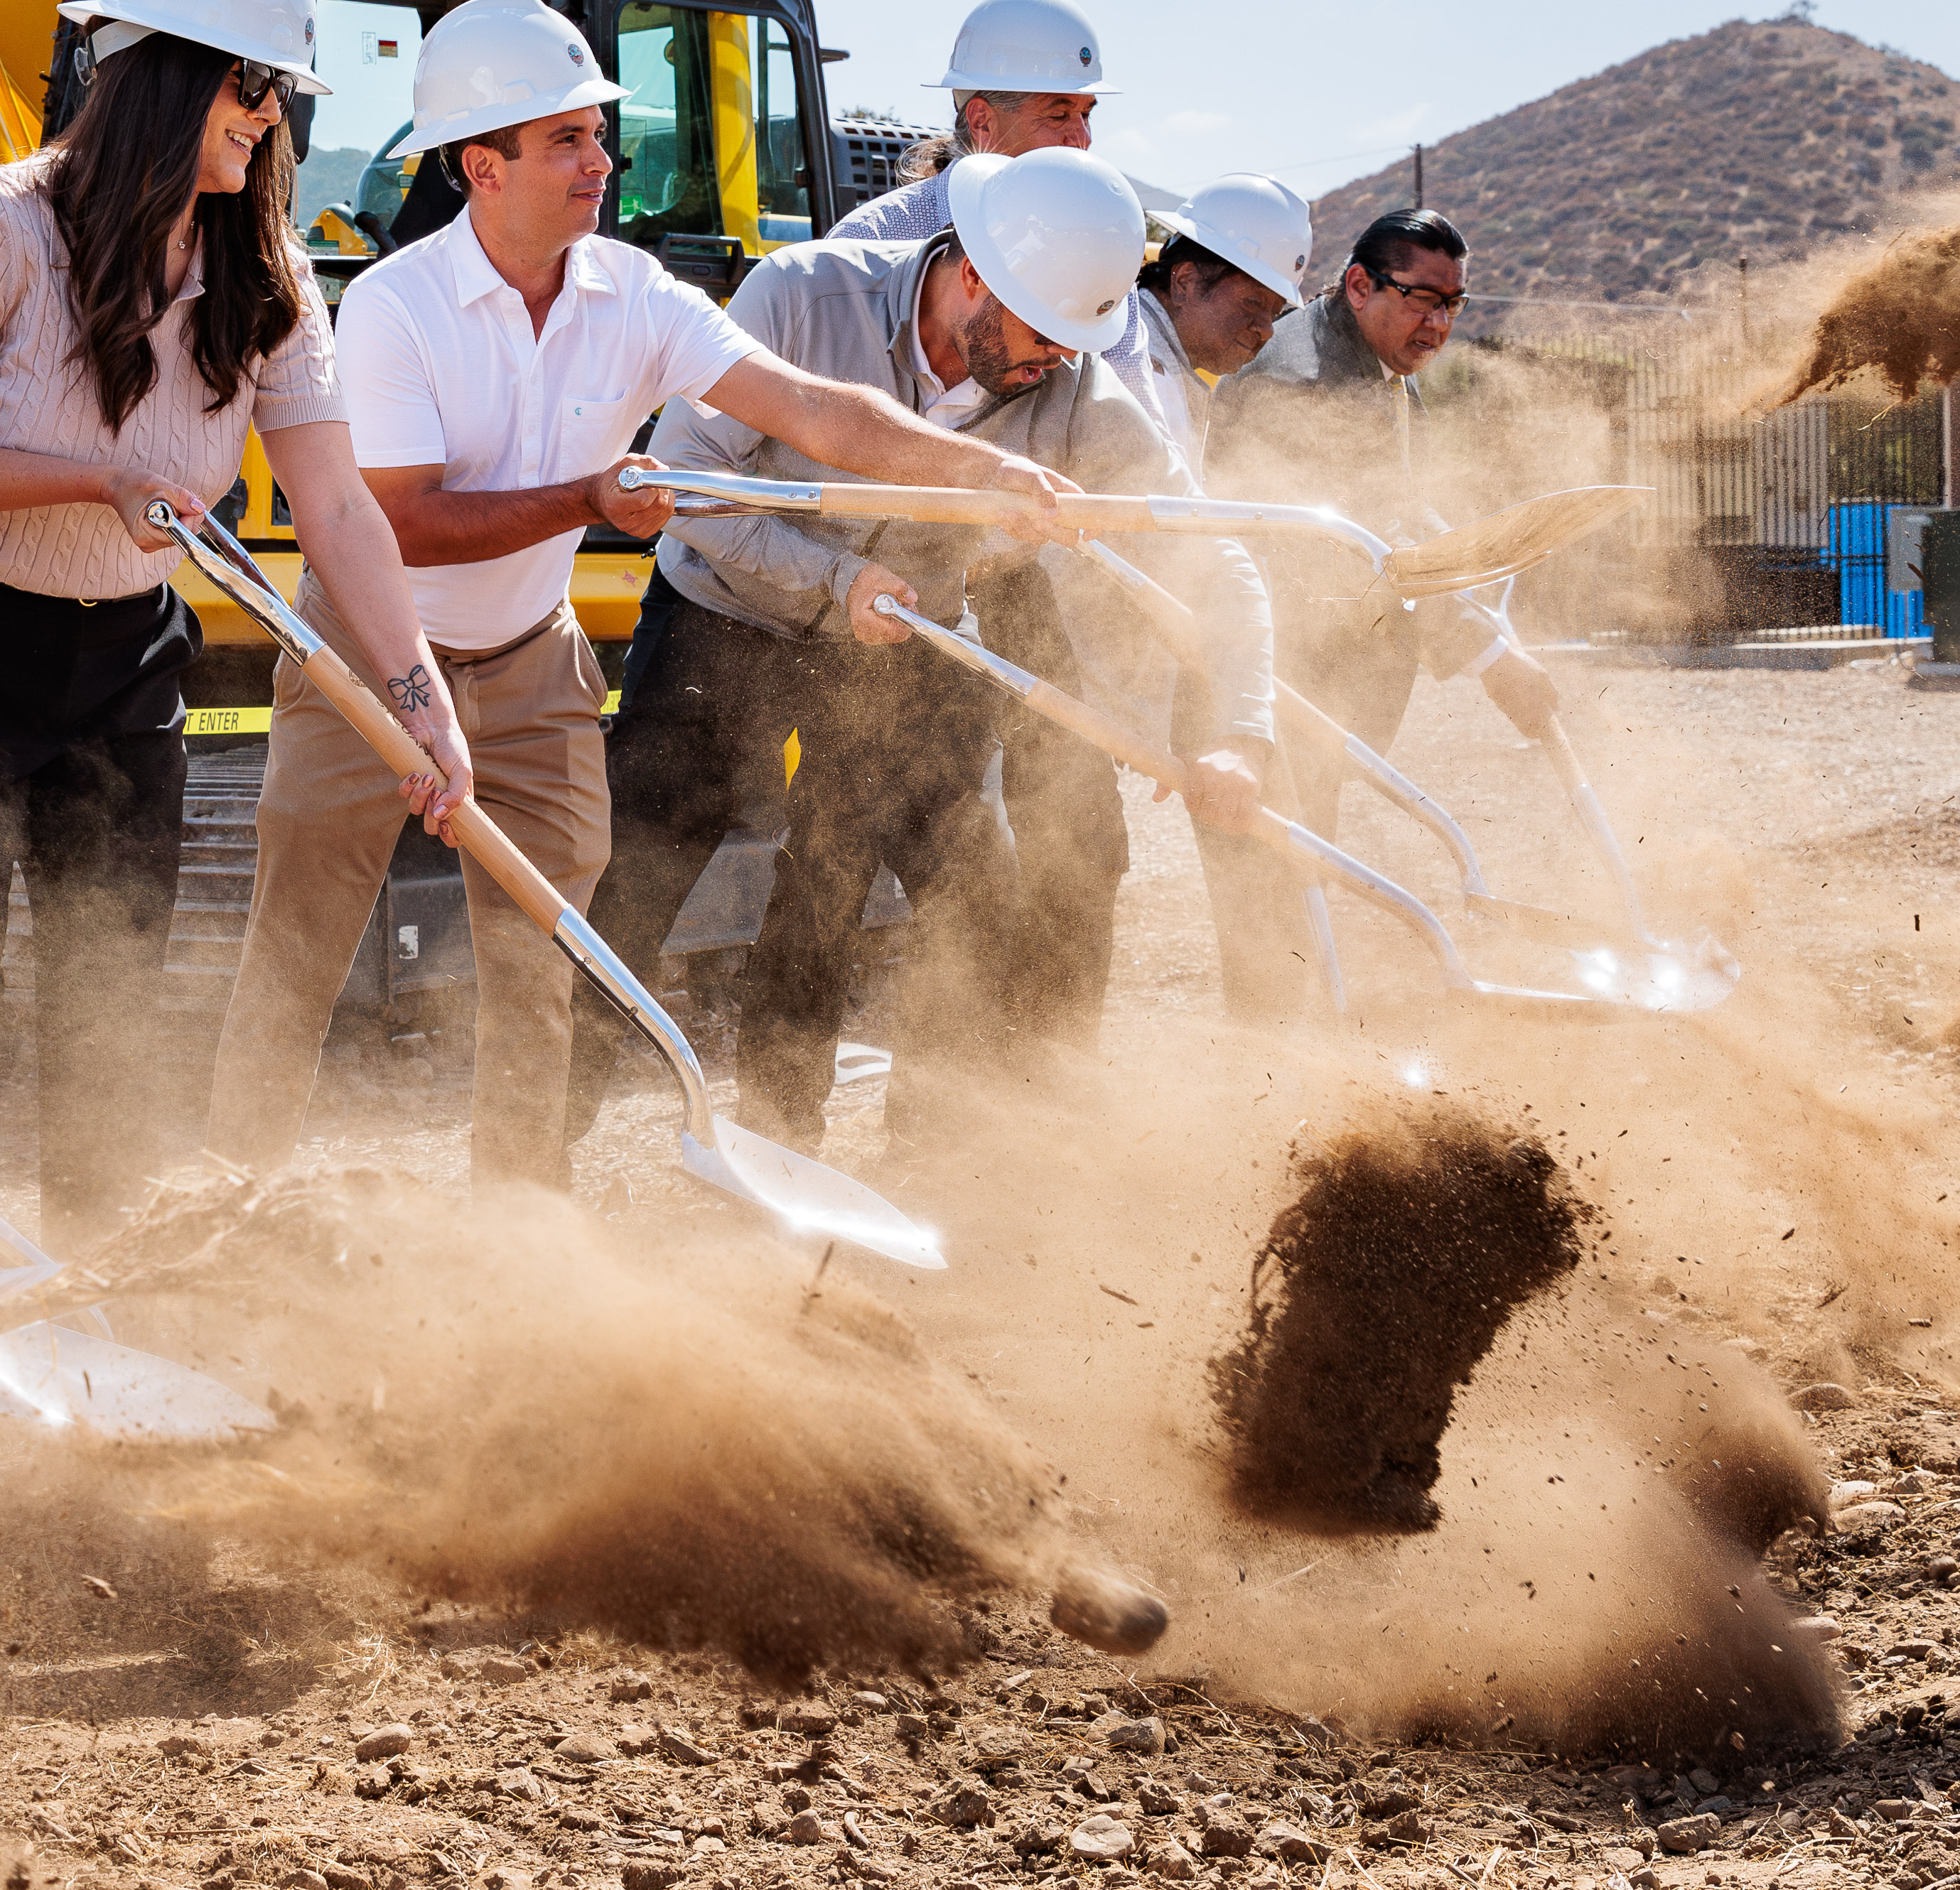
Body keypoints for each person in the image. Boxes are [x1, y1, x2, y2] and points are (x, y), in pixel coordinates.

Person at [207, 0, 1090, 1194]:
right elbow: (401, 521)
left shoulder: (641, 298)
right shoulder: (391, 308)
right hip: (365, 659)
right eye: (567, 138)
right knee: (298, 952)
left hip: (531, 668)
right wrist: (588, 501)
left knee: (545, 970)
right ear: (482, 164)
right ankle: (218, 1209)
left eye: (598, 134)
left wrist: (983, 468)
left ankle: (522, 1233)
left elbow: (818, 412)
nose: (601, 162)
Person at [0, 0, 473, 1243]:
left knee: (111, 1009)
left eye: (280, 94)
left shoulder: (269, 275)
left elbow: (342, 507)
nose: (268, 117)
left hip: (127, 668)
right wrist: (92, 483)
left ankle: (91, 1299)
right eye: (251, 85)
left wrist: (422, 697)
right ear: (167, 74)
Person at [561, 148, 1273, 1151]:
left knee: (961, 897)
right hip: (728, 612)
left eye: (1077, 345)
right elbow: (689, 484)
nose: (1055, 365)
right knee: (639, 878)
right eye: (1042, 336)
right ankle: (535, 1166)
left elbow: (1209, 556)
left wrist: (1245, 732)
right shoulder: (804, 301)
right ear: (976, 274)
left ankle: (921, 1161)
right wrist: (836, 579)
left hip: (905, 637)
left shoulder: (1068, 392)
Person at [1220, 205, 1563, 815]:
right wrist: (1489, 656)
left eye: (1453, 305)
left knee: (1308, 873)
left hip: (1316, 686)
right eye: (1422, 299)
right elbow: (1365, 545)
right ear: (1359, 286)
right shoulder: (1307, 385)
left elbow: (1404, 504)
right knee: (1280, 892)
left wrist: (1481, 589)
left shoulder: (1376, 360)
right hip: (1268, 688)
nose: (1438, 324)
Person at [1099, 173, 1323, 1017]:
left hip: (1157, 629)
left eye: (1277, 315)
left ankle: (1277, 1041)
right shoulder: (1127, 354)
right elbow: (1184, 543)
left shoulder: (1173, 358)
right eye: (1252, 307)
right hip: (1079, 629)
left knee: (1258, 830)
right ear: (1185, 277)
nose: (1264, 334)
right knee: (1071, 867)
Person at [821, 0, 1106, 247]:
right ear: (981, 121)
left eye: (1086, 114)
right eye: (1058, 115)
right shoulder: (870, 246)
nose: (1083, 139)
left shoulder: (1096, 250)